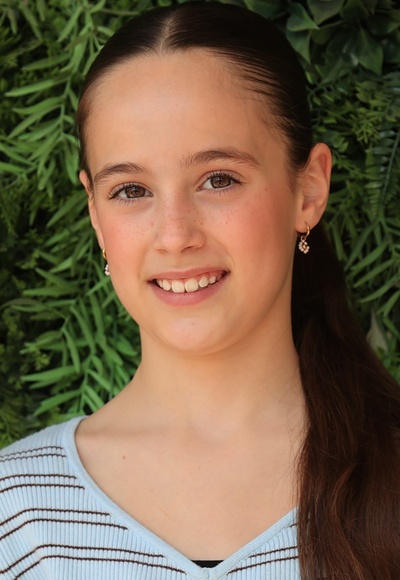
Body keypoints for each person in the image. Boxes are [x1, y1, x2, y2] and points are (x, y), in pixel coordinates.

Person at [1, 2, 399, 578]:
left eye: (218, 180)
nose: (175, 235)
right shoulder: (17, 515)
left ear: (309, 190)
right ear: (95, 215)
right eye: (131, 190)